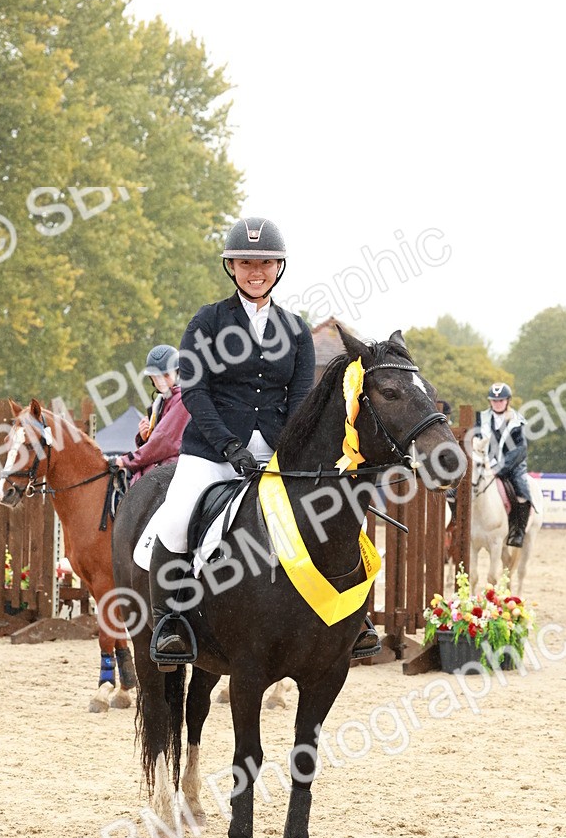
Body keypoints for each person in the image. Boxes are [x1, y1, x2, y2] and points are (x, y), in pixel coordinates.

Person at [147, 215, 380, 664]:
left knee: (345, 519)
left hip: (277, 452)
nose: (257, 270)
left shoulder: (296, 329)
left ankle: (355, 620)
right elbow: (195, 391)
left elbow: (301, 399)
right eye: (246, 262)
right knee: (175, 520)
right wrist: (228, 447)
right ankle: (169, 621)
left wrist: (286, 451)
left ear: (279, 268)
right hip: (212, 451)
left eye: (266, 262)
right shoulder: (208, 321)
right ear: (230, 268)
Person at [117, 345, 189, 482]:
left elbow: (163, 441)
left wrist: (127, 460)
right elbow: (156, 443)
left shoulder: (182, 399)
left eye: (166, 375)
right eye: (156, 377)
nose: (160, 381)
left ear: (178, 374)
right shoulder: (160, 402)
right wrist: (144, 438)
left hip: (177, 469)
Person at [475, 382, 533, 547]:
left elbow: (520, 450)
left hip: (512, 466)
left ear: (507, 401)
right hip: (484, 465)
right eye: (494, 400)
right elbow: (474, 440)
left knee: (522, 492)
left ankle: (517, 532)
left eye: (500, 400)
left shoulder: (517, 421)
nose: (497, 403)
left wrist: (499, 468)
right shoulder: (482, 418)